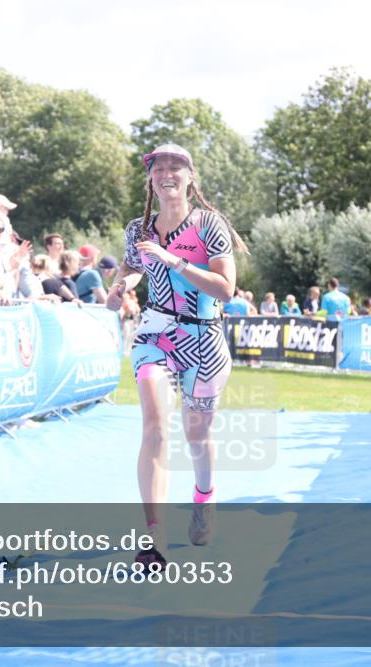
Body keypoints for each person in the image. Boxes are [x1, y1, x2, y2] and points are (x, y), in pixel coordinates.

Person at [105, 143, 247, 569]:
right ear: (150, 179)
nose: (167, 173)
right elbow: (133, 266)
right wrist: (123, 285)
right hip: (155, 334)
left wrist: (175, 262)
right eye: (158, 168)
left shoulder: (209, 226)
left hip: (204, 339)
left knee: (197, 436)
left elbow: (226, 289)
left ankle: (204, 496)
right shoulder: (139, 229)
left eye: (176, 167)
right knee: (154, 425)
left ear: (190, 177)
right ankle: (155, 535)